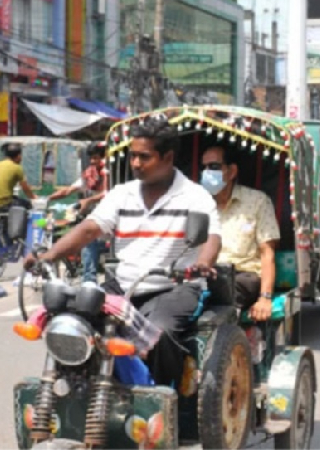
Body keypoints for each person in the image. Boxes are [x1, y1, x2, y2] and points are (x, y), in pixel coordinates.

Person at [24, 116, 222, 387]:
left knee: (159, 334)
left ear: (167, 158)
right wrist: (48, 256)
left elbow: (212, 238)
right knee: (75, 320)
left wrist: (202, 262)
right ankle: (81, 385)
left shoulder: (195, 196)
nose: (136, 164)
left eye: (144, 157)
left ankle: (162, 396)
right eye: (132, 157)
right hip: (124, 284)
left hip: (175, 287)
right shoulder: (121, 194)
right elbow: (89, 229)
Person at [200, 145, 280, 320]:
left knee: (220, 294)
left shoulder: (257, 201)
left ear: (231, 171)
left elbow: (267, 253)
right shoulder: (199, 203)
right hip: (206, 274)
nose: (207, 172)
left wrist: (265, 298)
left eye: (213, 167)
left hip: (244, 275)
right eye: (204, 167)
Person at [48, 142, 109, 283]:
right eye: (91, 158)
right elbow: (69, 190)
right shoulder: (89, 173)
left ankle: (89, 281)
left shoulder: (108, 171)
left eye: (96, 158)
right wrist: (49, 197)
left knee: (89, 242)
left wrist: (88, 201)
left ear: (103, 157)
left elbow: (107, 192)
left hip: (108, 217)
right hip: (92, 216)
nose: (93, 162)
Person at [0, 143, 36, 210]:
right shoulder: (17, 167)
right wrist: (34, 198)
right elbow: (25, 189)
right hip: (4, 204)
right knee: (27, 203)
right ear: (19, 156)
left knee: (15, 198)